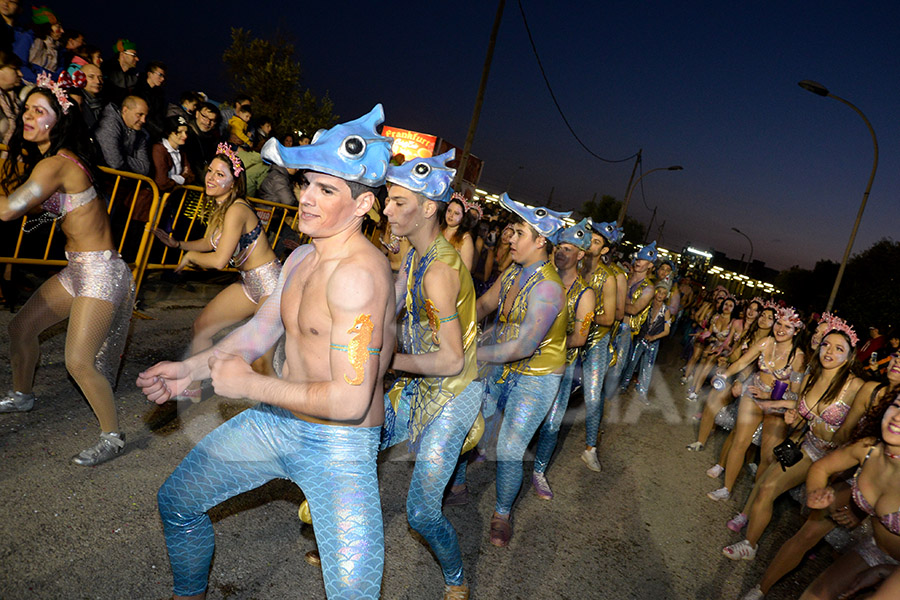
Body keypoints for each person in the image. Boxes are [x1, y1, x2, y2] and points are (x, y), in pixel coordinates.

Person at [136, 105, 395, 599]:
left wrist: (249, 385)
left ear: (363, 206)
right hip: (276, 422)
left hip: (339, 448)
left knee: (354, 595)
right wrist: (190, 369)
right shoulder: (300, 255)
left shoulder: (360, 276)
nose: (308, 199)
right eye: (307, 184)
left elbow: (350, 401)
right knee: (178, 502)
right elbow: (261, 329)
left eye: (327, 189)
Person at [0, 75, 135, 466]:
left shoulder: (55, 164)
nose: (28, 115)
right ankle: (23, 395)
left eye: (39, 111)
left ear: (57, 122)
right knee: (20, 328)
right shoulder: (64, 162)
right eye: (26, 108)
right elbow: (45, 215)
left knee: (78, 361)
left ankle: (113, 436)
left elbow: (8, 211)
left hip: (100, 272)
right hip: (78, 270)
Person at [381, 149, 482, 600]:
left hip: (452, 394)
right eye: (387, 198)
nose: (386, 209)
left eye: (398, 201)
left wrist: (387, 360)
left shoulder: (439, 269)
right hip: (417, 383)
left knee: (421, 513)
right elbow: (394, 307)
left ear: (427, 209)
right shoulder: (414, 255)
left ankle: (456, 575)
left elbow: (452, 361)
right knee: (353, 444)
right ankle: (334, 537)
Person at [448, 193, 569, 547]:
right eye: (512, 232)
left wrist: (474, 353)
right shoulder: (514, 270)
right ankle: (456, 485)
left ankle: (502, 513)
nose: (510, 238)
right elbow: (485, 304)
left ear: (540, 241)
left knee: (511, 448)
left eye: (518, 233)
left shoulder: (548, 288)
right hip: (501, 365)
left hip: (536, 377)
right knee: (470, 422)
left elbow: (523, 347)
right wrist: (451, 323)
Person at [740, 353, 900, 599]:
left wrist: (859, 510)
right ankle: (760, 589)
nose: (897, 362)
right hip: (855, 473)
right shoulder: (869, 437)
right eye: (896, 406)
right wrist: (824, 492)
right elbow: (844, 438)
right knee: (809, 532)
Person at [722, 317, 863, 561]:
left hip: (839, 461)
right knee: (766, 486)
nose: (829, 351)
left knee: (813, 513)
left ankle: (808, 547)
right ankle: (750, 544)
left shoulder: (856, 387)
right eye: (825, 344)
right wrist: (775, 406)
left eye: (839, 348)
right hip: (810, 449)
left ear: (849, 356)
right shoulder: (811, 377)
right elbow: (798, 405)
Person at [152, 143, 279, 396]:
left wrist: (191, 257)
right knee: (202, 326)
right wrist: (178, 244)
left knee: (262, 363)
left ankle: (287, 420)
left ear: (234, 182)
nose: (210, 178)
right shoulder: (222, 207)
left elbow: (219, 260)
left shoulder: (237, 210)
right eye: (210, 171)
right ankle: (194, 387)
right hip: (249, 283)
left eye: (220, 174)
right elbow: (210, 242)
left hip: (272, 286)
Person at [797, 392, 900, 599]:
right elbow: (821, 469)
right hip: (876, 551)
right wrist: (816, 493)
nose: (898, 416)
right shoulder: (869, 448)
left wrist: (889, 574)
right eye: (897, 405)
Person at [707, 306, 806, 502]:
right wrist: (724, 375)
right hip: (753, 395)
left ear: (797, 331)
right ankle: (726, 489)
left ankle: (754, 502)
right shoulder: (765, 343)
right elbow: (742, 362)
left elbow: (795, 395)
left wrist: (770, 395)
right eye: (779, 323)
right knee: (740, 442)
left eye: (788, 327)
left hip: (777, 406)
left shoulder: (798, 357)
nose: (781, 329)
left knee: (768, 456)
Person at [532, 219, 595, 497]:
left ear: (581, 255)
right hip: (528, 358)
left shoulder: (586, 294)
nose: (561, 252)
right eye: (559, 246)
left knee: (552, 422)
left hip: (562, 366)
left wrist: (541, 342)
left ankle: (538, 471)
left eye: (568, 249)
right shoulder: (540, 278)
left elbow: (580, 338)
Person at [580, 219, 621, 471]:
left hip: (596, 341)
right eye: (589, 239)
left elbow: (610, 317)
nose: (590, 244)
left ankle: (590, 449)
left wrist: (583, 315)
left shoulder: (608, 278)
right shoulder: (572, 266)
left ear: (604, 250)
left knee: (593, 397)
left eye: (596, 242)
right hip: (571, 337)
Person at [620, 279, 672, 402]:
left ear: (666, 296)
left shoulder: (666, 310)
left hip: (653, 342)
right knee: (632, 363)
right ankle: (623, 385)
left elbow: (666, 331)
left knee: (647, 367)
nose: (660, 295)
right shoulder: (647, 305)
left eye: (663, 293)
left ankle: (642, 392)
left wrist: (653, 338)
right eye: (659, 291)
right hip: (641, 337)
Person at [94, 94, 150, 175]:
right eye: (139, 115)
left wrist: (121, 157)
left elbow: (145, 168)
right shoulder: (109, 123)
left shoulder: (140, 133)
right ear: (125, 110)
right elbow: (115, 162)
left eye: (145, 116)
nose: (143, 120)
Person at [441, 192, 476, 272]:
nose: (451, 215)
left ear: (463, 217)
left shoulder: (465, 239)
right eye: (449, 211)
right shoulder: (438, 230)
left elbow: (466, 272)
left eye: (456, 213)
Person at [183, 101, 220, 174]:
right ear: (197, 114)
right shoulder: (185, 134)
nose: (207, 122)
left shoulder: (213, 139)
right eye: (205, 117)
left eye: (212, 120)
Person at [134, 60, 167, 141]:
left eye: (164, 76)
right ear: (149, 74)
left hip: (155, 129)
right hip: (141, 127)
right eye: (160, 75)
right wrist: (159, 130)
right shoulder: (138, 88)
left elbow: (160, 114)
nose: (162, 79)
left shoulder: (160, 93)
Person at [102, 39, 139, 106]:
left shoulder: (132, 77)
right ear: (122, 54)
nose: (137, 59)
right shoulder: (107, 71)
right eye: (133, 55)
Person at [74, 62, 103, 132]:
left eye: (100, 77)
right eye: (91, 77)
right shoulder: (76, 101)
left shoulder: (104, 103)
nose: (98, 81)